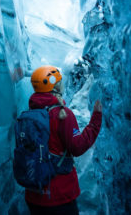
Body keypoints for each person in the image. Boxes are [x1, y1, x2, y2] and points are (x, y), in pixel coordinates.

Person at [26, 65, 102, 215]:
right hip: (59, 196)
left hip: (33, 194)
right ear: (55, 85)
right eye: (59, 81)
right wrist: (95, 121)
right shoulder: (62, 114)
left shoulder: (29, 114)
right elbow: (77, 147)